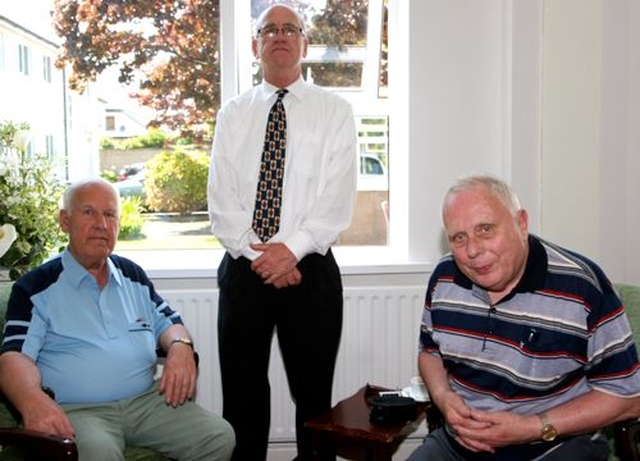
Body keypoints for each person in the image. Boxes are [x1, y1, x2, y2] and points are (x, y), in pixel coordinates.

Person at [207, 3, 357, 460]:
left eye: (290, 28)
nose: (279, 35)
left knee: (313, 401)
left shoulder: (335, 111)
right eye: (268, 29)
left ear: (304, 44)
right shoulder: (232, 114)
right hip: (243, 270)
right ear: (256, 45)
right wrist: (264, 258)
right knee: (242, 399)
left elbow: (337, 198)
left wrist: (290, 252)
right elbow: (221, 198)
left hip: (310, 273)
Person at [407, 174, 640, 460]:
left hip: (554, 444)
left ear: (521, 223)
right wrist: (443, 398)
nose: (472, 250)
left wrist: (532, 427)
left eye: (486, 229)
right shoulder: (444, 278)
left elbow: (628, 398)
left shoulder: (582, 287)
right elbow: (429, 352)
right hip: (460, 444)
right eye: (458, 237)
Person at [0, 178, 235, 461]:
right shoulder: (36, 287)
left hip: (146, 403)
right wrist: (31, 400)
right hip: (79, 410)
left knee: (219, 437)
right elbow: (15, 357)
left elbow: (169, 323)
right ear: (65, 221)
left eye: (110, 214)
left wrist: (181, 346)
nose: (101, 224)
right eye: (89, 212)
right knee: (100, 453)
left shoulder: (131, 274)